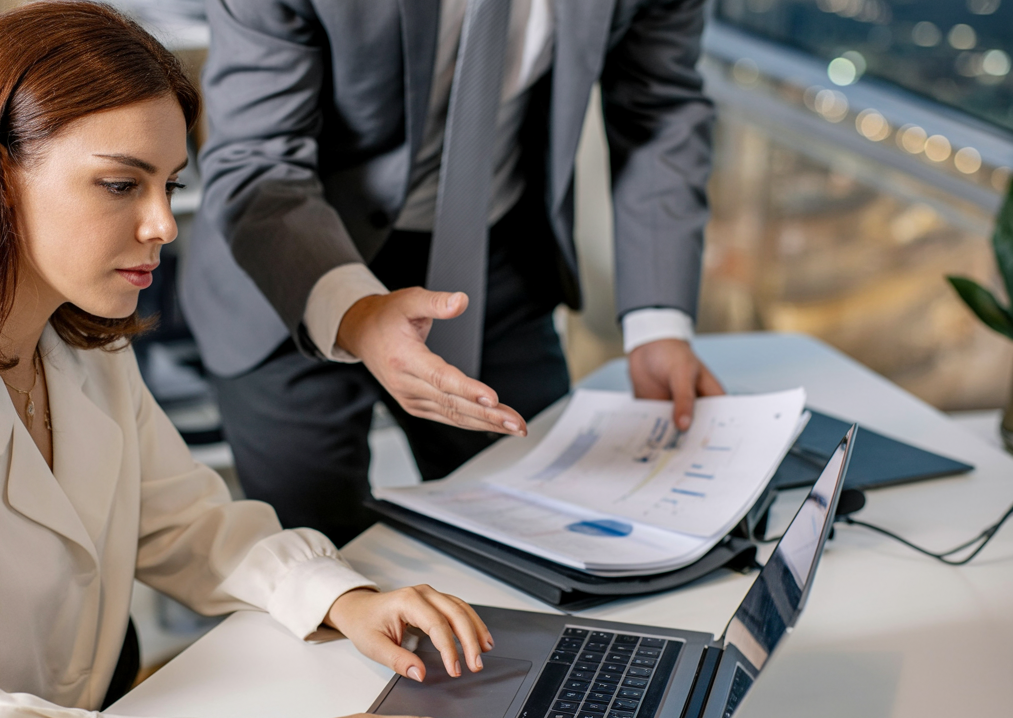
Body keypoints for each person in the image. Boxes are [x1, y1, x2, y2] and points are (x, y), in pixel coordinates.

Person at [0, 4, 490, 718]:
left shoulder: (81, 344)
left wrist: (343, 596)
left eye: (169, 186)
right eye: (121, 184)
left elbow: (187, 523)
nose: (161, 224)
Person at [183, 0, 726, 547]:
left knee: (549, 532)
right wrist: (357, 312)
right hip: (291, 274)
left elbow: (661, 110)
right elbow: (256, 158)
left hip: (487, 267)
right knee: (329, 564)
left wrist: (659, 325)